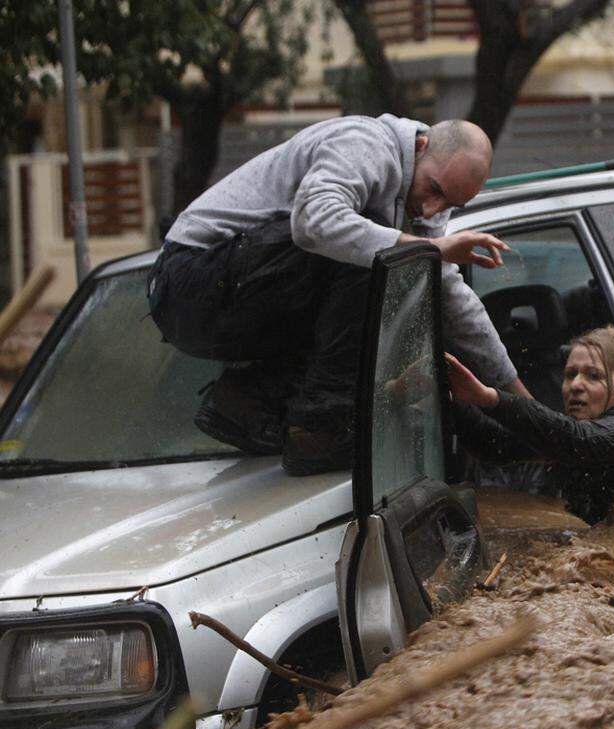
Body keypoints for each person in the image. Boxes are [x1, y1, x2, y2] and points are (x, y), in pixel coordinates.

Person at [147, 116, 526, 475]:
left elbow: (450, 298)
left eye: (449, 205)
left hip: (239, 298)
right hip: (188, 282)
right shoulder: (366, 143)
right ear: (421, 146)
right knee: (377, 254)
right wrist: (430, 250)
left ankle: (244, 401)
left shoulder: (422, 204)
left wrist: (520, 403)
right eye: (435, 190)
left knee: (392, 287)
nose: (431, 209)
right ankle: (319, 430)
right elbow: (314, 221)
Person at [446, 327, 614, 524]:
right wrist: (450, 397)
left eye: (594, 376)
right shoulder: (577, 432)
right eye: (570, 374)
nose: (575, 385)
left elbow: (578, 440)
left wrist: (491, 397)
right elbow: (497, 446)